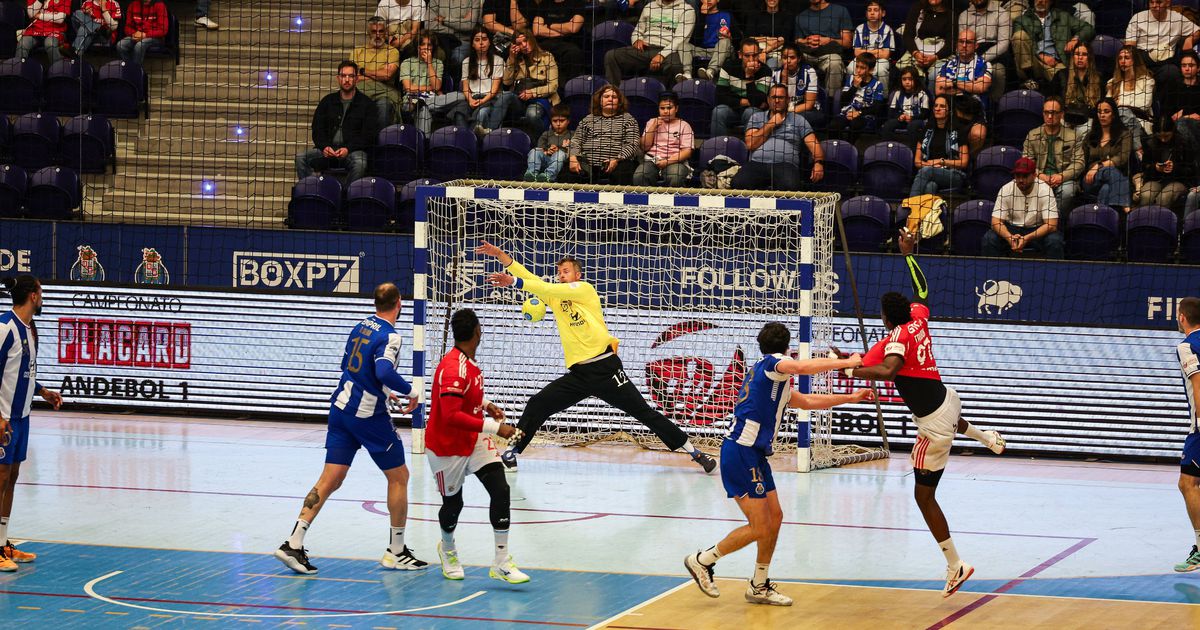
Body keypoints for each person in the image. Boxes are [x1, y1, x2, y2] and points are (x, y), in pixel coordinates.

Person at [846, 230, 1007, 598]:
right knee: (952, 420)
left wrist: (849, 368)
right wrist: (908, 254)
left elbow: (884, 370)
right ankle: (988, 438)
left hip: (934, 427)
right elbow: (921, 292)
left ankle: (956, 565)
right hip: (948, 399)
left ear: (885, 318)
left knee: (923, 497)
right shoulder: (917, 319)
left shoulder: (893, 342)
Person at [473, 242, 717, 474]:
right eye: (559, 272)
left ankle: (695, 453)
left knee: (644, 413)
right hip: (580, 375)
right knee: (538, 403)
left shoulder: (584, 290)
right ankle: (514, 450)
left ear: (577, 275)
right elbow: (534, 280)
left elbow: (543, 287)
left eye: (566, 271)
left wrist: (514, 282)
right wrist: (501, 257)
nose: (561, 275)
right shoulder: (557, 299)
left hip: (606, 369)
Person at [683, 322, 870, 607]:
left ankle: (759, 584)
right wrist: (845, 362)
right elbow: (801, 368)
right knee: (760, 526)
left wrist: (851, 398)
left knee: (775, 518)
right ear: (786, 348)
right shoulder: (773, 363)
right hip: (740, 451)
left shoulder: (773, 379)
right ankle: (702, 561)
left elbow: (806, 400)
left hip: (755, 455)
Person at [274, 282, 427, 575]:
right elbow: (383, 370)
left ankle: (293, 542)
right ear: (399, 304)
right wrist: (411, 391)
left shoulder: (360, 326)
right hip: (367, 416)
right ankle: (396, 551)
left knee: (330, 479)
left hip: (340, 409)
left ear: (375, 303)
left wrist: (384, 391)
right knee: (399, 476)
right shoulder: (391, 335)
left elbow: (351, 366)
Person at [427, 309, 530, 584]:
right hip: (446, 447)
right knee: (453, 504)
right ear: (477, 332)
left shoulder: (467, 363)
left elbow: (466, 396)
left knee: (500, 488)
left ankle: (501, 561)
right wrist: (497, 428)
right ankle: (447, 549)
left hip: (473, 440)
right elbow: (450, 415)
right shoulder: (453, 369)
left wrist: (486, 405)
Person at [0, 276, 62, 572]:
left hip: (22, 417)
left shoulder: (29, 329)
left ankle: (2, 543)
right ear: (33, 296)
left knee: (11, 478)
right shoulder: (5, 327)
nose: (42, 297)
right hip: (4, 418)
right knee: (0, 479)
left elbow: (24, 372)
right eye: (41, 292)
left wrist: (44, 392)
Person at [295, 61, 379, 184]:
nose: (347, 79)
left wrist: (348, 149)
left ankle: (345, 196)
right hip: (328, 151)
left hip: (352, 152)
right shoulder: (327, 101)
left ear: (356, 79)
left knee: (360, 162)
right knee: (300, 158)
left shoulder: (367, 104)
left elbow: (369, 135)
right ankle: (311, 190)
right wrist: (324, 147)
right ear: (338, 78)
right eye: (343, 76)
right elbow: (317, 129)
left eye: (351, 76)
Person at [731, 83, 825, 191]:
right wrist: (770, 124)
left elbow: (814, 144)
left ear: (788, 100)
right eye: (774, 97)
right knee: (738, 183)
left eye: (781, 97)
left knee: (791, 187)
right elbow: (750, 144)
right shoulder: (757, 117)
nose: (776, 101)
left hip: (785, 165)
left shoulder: (798, 120)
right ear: (768, 99)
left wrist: (818, 163)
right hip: (757, 163)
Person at [982, 156, 1064, 258]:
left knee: (1055, 241)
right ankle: (992, 273)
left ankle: (1053, 273)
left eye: (1025, 176)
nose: (1020, 180)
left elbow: (1051, 225)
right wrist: (1009, 237)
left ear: (1034, 175)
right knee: (989, 238)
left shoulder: (1045, 190)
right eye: (1017, 175)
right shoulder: (1006, 189)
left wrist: (1027, 238)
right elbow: (995, 222)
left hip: (1037, 230)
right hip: (1012, 229)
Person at [603, 0, 694, 87]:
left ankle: (669, 99)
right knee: (612, 56)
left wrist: (661, 55)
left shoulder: (687, 10)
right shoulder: (650, 6)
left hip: (669, 51)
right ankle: (612, 92)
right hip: (646, 48)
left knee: (676, 66)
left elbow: (681, 39)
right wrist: (637, 40)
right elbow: (637, 31)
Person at [1173, 297, 1200, 573]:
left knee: (1187, 483)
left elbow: (1197, 381)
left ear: (1182, 317)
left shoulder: (1187, 346)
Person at [567, 84, 641, 185]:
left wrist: (617, 159)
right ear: (599, 100)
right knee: (568, 169)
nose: (610, 99)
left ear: (619, 102)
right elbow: (576, 141)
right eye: (606, 97)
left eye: (614, 97)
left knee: (625, 170)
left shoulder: (629, 120)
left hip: (618, 163)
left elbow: (632, 144)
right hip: (588, 163)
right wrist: (573, 157)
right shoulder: (588, 119)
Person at [1011, 0, 1093, 90]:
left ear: (1050, 2)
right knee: (1019, 36)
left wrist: (1075, 39)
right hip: (1033, 61)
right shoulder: (1022, 20)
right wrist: (1041, 55)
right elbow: (1017, 41)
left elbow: (1088, 28)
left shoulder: (1063, 16)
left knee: (1063, 83)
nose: (1041, 1)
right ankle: (1029, 78)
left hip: (1056, 63)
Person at [1022, 95, 1082, 213]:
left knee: (1068, 192)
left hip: (1065, 179)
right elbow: (1026, 162)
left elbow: (1079, 163)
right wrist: (1040, 175)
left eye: (1054, 113)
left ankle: (1054, 222)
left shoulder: (1074, 136)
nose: (1049, 116)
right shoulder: (1032, 135)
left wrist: (1061, 176)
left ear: (1061, 114)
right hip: (1038, 178)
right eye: (1046, 112)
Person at [398, 33, 463, 136]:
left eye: (429, 45)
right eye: (422, 44)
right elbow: (408, 87)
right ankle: (424, 143)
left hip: (432, 100)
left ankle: (423, 103)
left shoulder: (438, 63)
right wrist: (430, 88)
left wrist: (429, 63)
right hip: (411, 101)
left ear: (433, 47)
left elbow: (437, 86)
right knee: (423, 110)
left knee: (462, 95)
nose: (425, 48)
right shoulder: (407, 63)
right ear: (417, 46)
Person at [497, 29, 559, 137]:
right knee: (504, 96)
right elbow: (506, 82)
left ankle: (541, 140)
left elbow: (553, 86)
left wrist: (533, 93)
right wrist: (511, 58)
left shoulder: (547, 57)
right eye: (519, 44)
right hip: (520, 99)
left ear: (532, 39)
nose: (524, 45)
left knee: (531, 114)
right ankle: (490, 131)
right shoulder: (515, 59)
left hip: (541, 99)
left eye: (526, 40)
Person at [448, 26, 507, 136]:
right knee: (458, 113)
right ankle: (466, 140)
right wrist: (470, 99)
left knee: (482, 113)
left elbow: (494, 90)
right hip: (472, 98)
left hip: (491, 99)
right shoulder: (466, 62)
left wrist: (482, 101)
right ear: (472, 44)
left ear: (490, 42)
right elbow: (465, 88)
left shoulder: (498, 60)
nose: (481, 43)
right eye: (477, 40)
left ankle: (473, 141)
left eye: (484, 39)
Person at [1126, 0, 1199, 86]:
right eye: (1151, 2)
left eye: (1158, 2)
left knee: (1172, 72)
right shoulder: (1138, 18)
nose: (1154, 5)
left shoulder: (1176, 18)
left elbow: (1198, 31)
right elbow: (1129, 46)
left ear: (1167, 3)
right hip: (1142, 60)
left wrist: (1190, 39)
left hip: (1164, 62)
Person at [712, 39, 773, 137]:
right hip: (731, 110)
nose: (751, 59)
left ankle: (748, 149)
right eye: (747, 56)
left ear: (759, 54)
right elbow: (720, 96)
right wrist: (745, 102)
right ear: (740, 55)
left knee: (751, 112)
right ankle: (718, 148)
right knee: (718, 111)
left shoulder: (766, 71)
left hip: (752, 112)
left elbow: (757, 101)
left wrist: (749, 77)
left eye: (754, 55)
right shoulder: (728, 67)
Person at [1080, 98, 1132, 214]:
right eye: (1099, 111)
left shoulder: (1124, 134)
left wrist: (1098, 165)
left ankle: (1102, 221)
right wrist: (1095, 168)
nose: (1102, 115)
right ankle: (1125, 206)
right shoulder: (1090, 136)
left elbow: (1123, 158)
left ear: (1113, 114)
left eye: (1106, 111)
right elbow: (1083, 160)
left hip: (1116, 178)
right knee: (1109, 170)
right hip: (1091, 180)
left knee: (1106, 189)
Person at [515, 0, 587, 83]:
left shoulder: (578, 3)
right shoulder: (544, 4)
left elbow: (573, 28)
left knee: (574, 53)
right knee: (528, 49)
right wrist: (562, 31)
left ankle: (569, 88)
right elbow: (537, 30)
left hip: (568, 44)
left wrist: (550, 25)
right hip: (546, 44)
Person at [793, 0, 853, 99]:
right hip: (807, 54)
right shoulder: (800, 17)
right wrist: (807, 41)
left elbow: (847, 43)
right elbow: (797, 41)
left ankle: (831, 102)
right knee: (790, 58)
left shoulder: (840, 11)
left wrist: (828, 40)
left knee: (835, 62)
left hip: (829, 53)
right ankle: (796, 98)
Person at [910, 95, 968, 197]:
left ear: (949, 110)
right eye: (935, 106)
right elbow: (917, 161)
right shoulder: (927, 130)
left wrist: (942, 162)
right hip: (929, 172)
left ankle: (910, 206)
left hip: (953, 175)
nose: (937, 108)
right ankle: (926, 213)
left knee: (927, 171)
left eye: (942, 106)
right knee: (930, 187)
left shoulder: (958, 130)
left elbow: (963, 162)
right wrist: (932, 167)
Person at [633, 92, 695, 187]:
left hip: (675, 161)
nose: (665, 111)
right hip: (652, 160)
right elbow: (644, 147)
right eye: (662, 108)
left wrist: (667, 161)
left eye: (669, 108)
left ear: (676, 109)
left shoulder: (684, 125)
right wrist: (653, 128)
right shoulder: (652, 122)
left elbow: (687, 152)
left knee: (675, 177)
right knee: (639, 176)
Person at [353, 17, 404, 131]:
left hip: (384, 93)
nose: (377, 35)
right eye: (374, 31)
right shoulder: (357, 52)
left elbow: (387, 75)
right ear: (368, 33)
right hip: (362, 92)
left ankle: (381, 144)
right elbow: (353, 78)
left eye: (381, 31)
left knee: (384, 105)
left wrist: (363, 71)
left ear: (385, 33)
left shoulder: (392, 52)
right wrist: (378, 75)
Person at [1137, 116, 1197, 211]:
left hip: (1179, 181)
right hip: (1156, 179)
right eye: (1159, 136)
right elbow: (1144, 167)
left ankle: (1160, 224)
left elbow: (1192, 171)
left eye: (1166, 136)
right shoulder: (1150, 143)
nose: (1163, 140)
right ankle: (1143, 223)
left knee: (1164, 198)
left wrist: (1175, 168)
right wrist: (1155, 168)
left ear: (1173, 131)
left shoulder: (1183, 143)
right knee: (1146, 195)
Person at [895, 0, 957, 90]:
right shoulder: (917, 9)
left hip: (940, 56)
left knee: (934, 76)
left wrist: (934, 57)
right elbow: (907, 36)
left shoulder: (951, 15)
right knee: (908, 72)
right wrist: (916, 54)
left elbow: (951, 44)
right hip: (917, 52)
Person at [958, 0, 1010, 103]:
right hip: (970, 54)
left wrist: (980, 60)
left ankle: (994, 108)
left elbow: (1003, 44)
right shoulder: (964, 16)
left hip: (995, 56)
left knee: (997, 72)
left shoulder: (1002, 13)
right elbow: (961, 41)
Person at [1107, 44, 1156, 153]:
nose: (1123, 61)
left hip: (1140, 125)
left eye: (1127, 58)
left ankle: (1137, 150)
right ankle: (1138, 152)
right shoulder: (1112, 83)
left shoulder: (1147, 81)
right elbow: (1107, 107)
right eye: (1120, 58)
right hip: (1117, 125)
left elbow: (1144, 105)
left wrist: (1119, 105)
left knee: (1123, 112)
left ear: (1135, 60)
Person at [827, 52, 886, 142]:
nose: (858, 70)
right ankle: (838, 146)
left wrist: (859, 113)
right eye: (857, 66)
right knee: (833, 125)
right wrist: (854, 86)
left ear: (871, 70)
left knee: (855, 125)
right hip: (847, 112)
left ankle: (849, 148)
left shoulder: (877, 85)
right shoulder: (850, 79)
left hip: (865, 115)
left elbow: (876, 107)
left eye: (862, 68)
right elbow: (843, 101)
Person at [676, 0, 735, 83]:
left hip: (723, 51)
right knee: (683, 45)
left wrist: (730, 36)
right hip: (703, 50)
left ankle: (710, 71)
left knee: (725, 41)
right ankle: (687, 74)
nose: (708, 0)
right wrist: (703, 16)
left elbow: (739, 37)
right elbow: (696, 40)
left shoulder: (726, 15)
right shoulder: (698, 15)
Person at [1049, 43, 1102, 133]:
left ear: (1090, 58)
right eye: (1077, 54)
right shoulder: (1061, 75)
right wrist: (1060, 113)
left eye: (1084, 55)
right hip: (1065, 118)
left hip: (1087, 120)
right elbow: (1052, 98)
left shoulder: (1098, 78)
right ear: (1073, 57)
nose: (1080, 57)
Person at [934, 29, 992, 111]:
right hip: (950, 111)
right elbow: (938, 90)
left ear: (976, 45)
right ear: (957, 44)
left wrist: (953, 84)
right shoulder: (946, 65)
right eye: (961, 41)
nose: (964, 45)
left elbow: (980, 87)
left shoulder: (985, 64)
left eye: (968, 42)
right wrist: (970, 87)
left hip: (974, 111)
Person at [772, 44, 825, 130]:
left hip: (807, 111)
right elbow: (775, 101)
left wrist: (787, 113)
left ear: (799, 59)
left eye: (792, 58)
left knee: (794, 120)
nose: (788, 61)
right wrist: (784, 81)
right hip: (783, 111)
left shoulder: (809, 72)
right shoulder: (776, 73)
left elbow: (809, 105)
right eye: (785, 58)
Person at [848, 1, 895, 91]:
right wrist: (877, 51)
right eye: (869, 10)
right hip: (861, 59)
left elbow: (885, 55)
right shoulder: (859, 28)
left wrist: (865, 51)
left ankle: (883, 98)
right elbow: (857, 53)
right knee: (850, 68)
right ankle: (851, 93)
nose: (872, 13)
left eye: (876, 10)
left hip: (880, 61)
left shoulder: (887, 29)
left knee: (881, 71)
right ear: (866, 13)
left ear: (883, 13)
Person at [880, 66, 930, 144]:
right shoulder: (897, 93)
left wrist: (912, 118)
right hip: (902, 120)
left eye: (910, 79)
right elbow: (891, 112)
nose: (907, 82)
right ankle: (887, 148)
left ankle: (913, 151)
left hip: (918, 120)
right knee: (888, 125)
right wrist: (899, 116)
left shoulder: (922, 94)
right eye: (904, 79)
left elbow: (925, 114)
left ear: (916, 80)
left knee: (912, 126)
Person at [743, 0, 795, 73]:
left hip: (776, 52)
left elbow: (782, 40)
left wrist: (764, 52)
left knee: (770, 68)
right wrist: (767, 39)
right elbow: (749, 38)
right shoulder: (754, 14)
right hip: (756, 51)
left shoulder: (787, 16)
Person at [525, 102, 572, 182]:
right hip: (546, 159)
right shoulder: (546, 134)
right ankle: (532, 174)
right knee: (535, 151)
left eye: (561, 121)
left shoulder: (572, 135)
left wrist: (565, 149)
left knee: (560, 154)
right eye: (555, 121)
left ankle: (548, 176)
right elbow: (540, 148)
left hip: (561, 165)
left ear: (568, 121)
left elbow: (575, 152)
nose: (558, 124)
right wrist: (547, 151)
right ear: (551, 121)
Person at [1163, 51, 1200, 148]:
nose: (1187, 69)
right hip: (1176, 128)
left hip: (1197, 128)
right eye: (1184, 65)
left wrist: (1183, 113)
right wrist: (1189, 115)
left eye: (1191, 65)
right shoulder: (1173, 85)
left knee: (1183, 122)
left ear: (1198, 68)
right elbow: (1168, 112)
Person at [116, 0, 169, 66]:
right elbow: (127, 28)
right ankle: (129, 68)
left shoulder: (160, 5)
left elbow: (163, 30)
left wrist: (145, 35)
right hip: (137, 34)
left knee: (139, 45)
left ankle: (136, 72)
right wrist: (134, 34)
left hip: (155, 37)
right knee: (120, 45)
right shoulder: (133, 5)